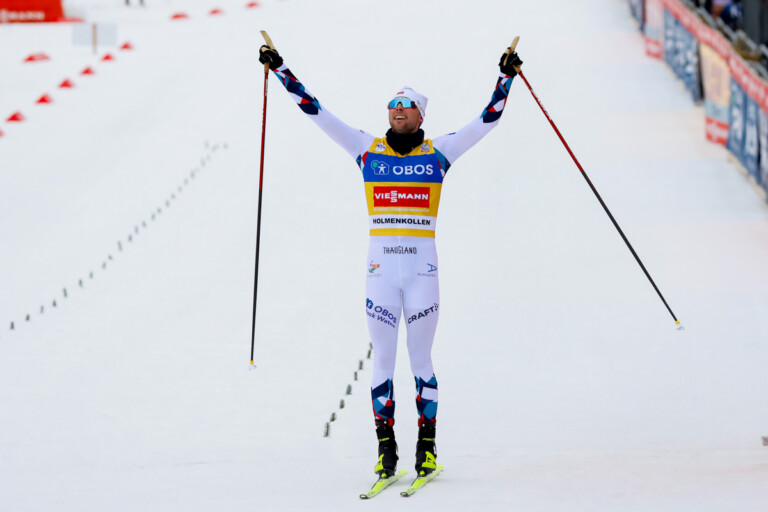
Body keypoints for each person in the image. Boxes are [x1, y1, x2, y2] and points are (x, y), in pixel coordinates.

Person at [258, 42, 522, 480]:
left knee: (420, 361)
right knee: (383, 359)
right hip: (380, 273)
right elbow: (316, 111)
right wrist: (281, 68)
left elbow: (488, 120)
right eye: (393, 104)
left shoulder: (439, 152)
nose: (398, 109)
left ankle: (428, 448)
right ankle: (386, 451)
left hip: (422, 273)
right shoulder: (366, 149)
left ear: (421, 115)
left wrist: (506, 77)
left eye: (407, 105)